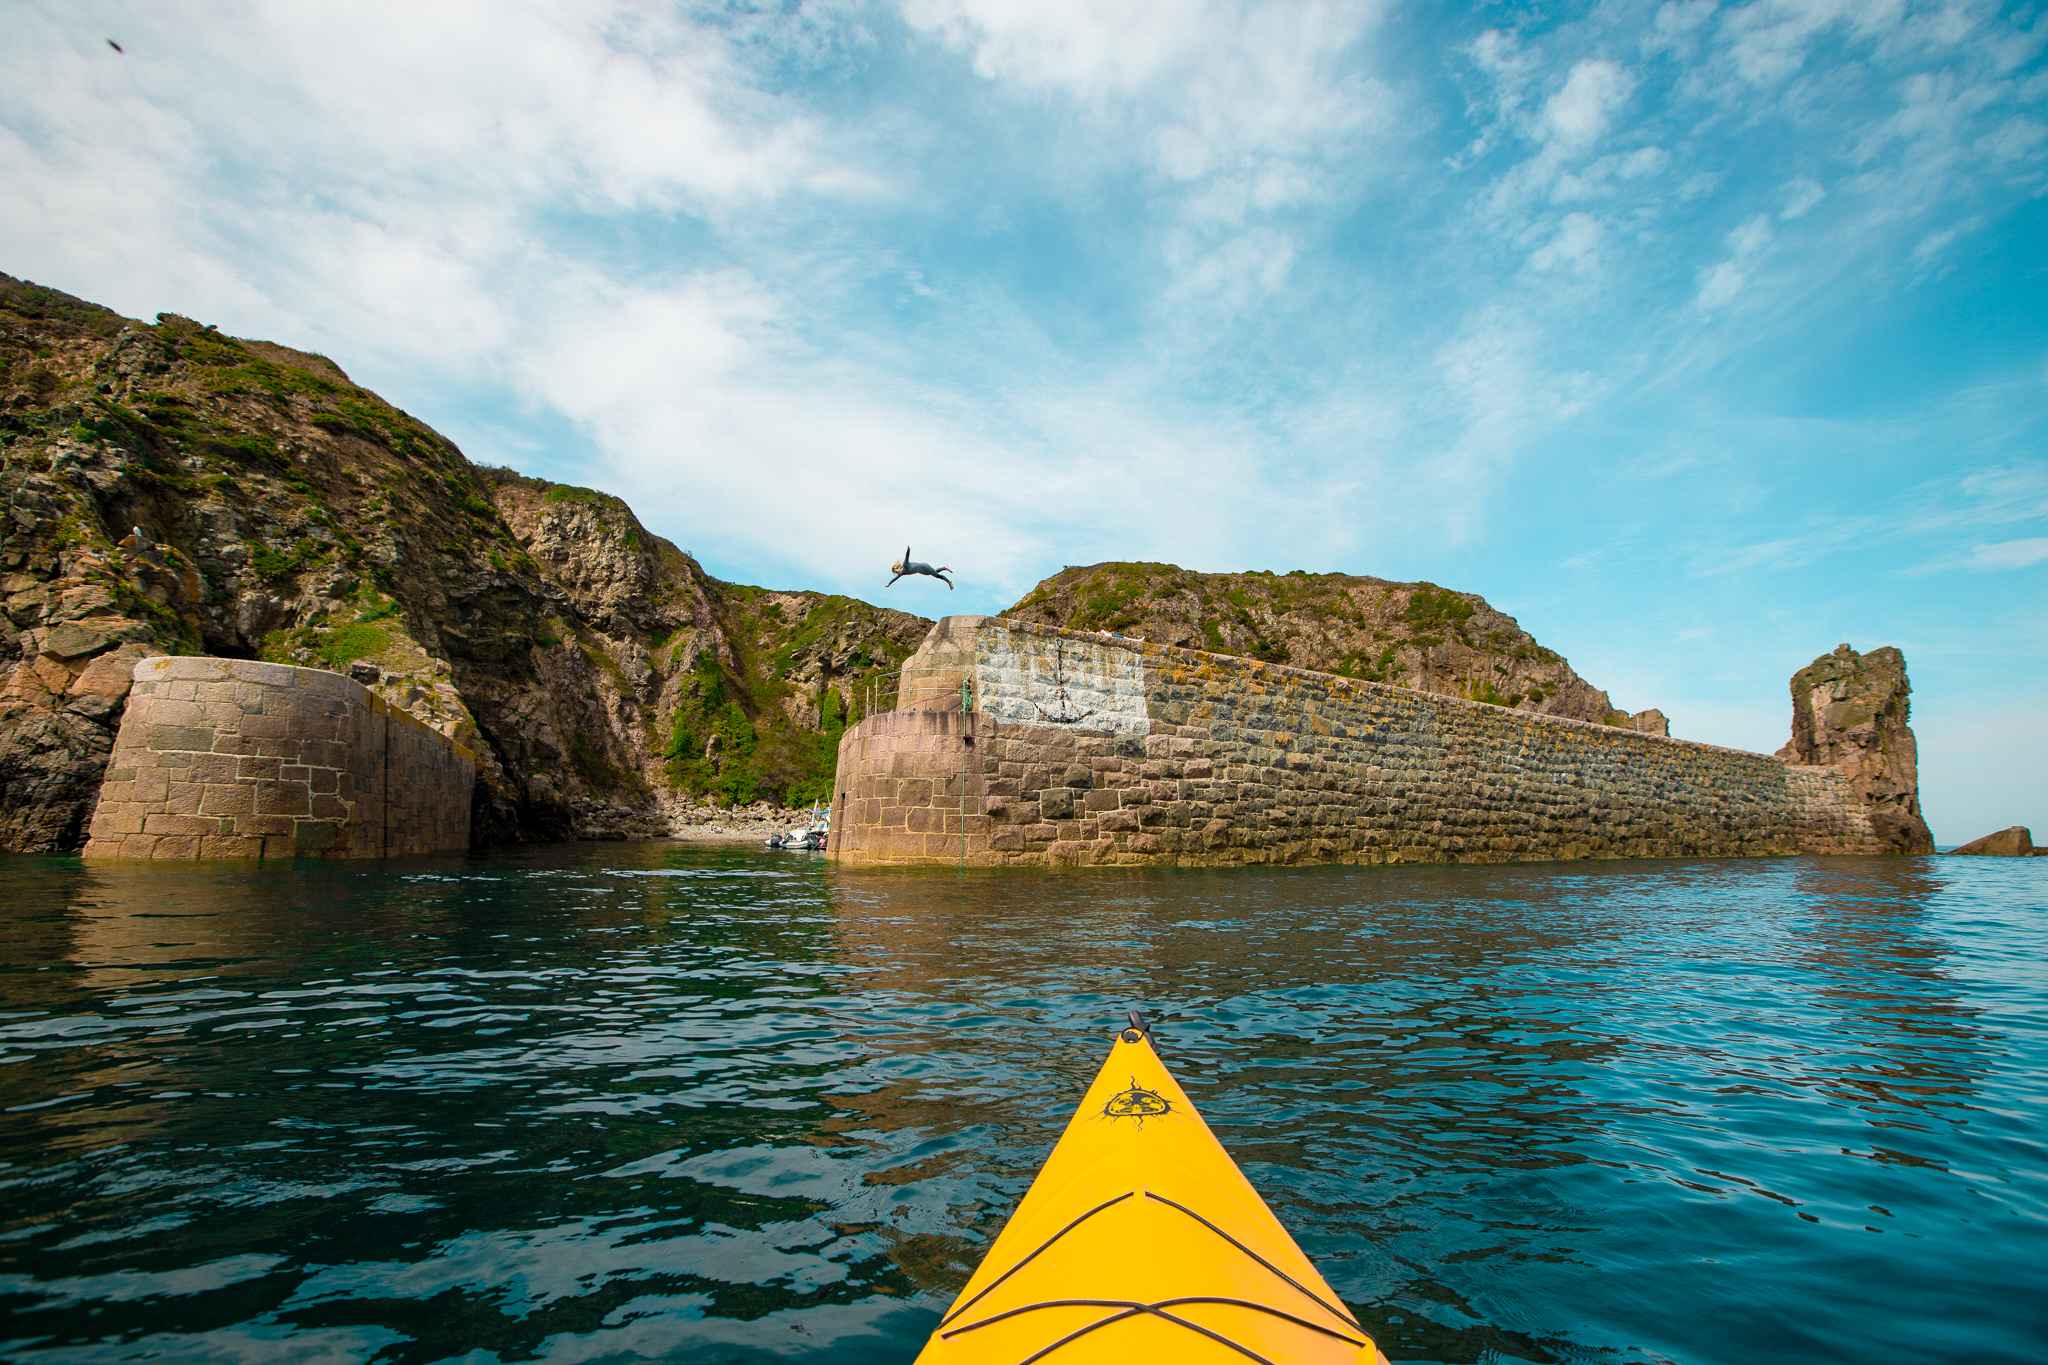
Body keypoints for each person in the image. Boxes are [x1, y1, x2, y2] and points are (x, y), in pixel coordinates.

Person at [886, 546, 953, 589]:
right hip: (922, 572)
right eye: (896, 572)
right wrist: (889, 584)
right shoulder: (902, 573)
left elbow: (907, 556)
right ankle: (944, 567)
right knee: (934, 572)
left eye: (897, 571)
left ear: (899, 568)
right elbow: (894, 579)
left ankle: (949, 582)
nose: (898, 573)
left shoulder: (905, 565)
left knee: (937, 575)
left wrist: (908, 550)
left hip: (924, 566)